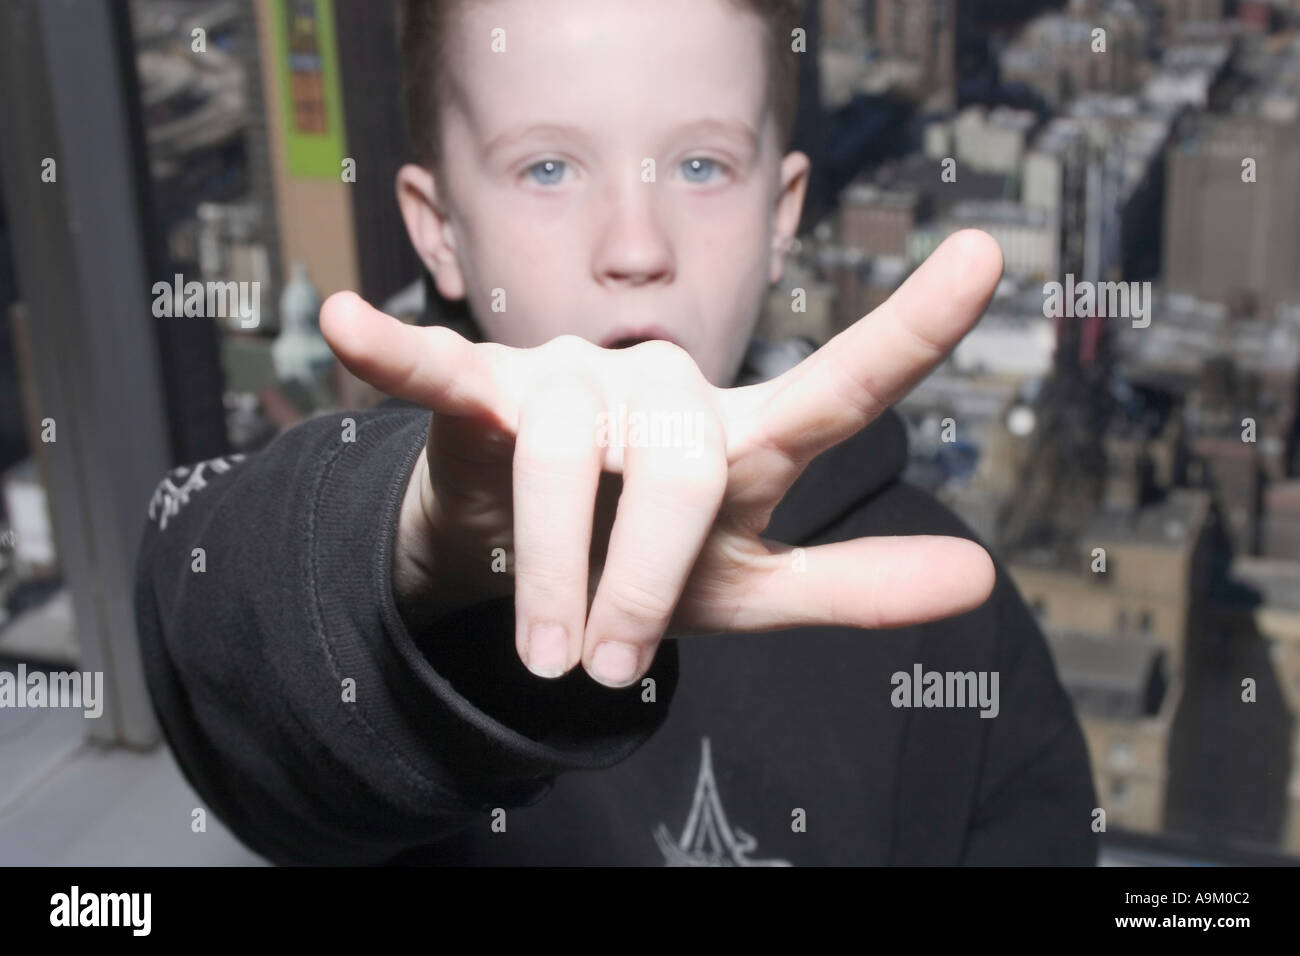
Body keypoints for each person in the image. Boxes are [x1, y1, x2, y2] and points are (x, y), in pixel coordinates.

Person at [133, 0, 1098, 865]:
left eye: (701, 164)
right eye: (547, 167)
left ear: (783, 214)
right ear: (438, 231)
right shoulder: (401, 552)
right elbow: (208, 628)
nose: (636, 246)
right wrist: (407, 553)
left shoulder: (934, 593)